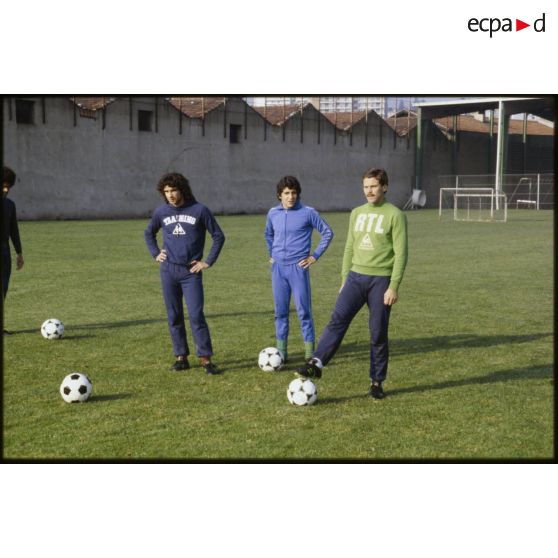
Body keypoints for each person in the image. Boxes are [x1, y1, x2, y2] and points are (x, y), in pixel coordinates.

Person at [296, 167, 408, 399]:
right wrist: (344, 278)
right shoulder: (356, 213)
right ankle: (316, 363)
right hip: (355, 278)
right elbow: (349, 246)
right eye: (366, 187)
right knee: (337, 320)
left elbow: (401, 252)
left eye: (374, 186)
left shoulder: (395, 215)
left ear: (384, 187)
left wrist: (393, 285)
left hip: (381, 280)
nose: (369, 191)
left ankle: (376, 382)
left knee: (377, 333)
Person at [145, 172, 225, 374]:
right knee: (174, 315)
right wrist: (156, 253)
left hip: (191, 272)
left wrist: (207, 262)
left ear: (182, 189)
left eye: (173, 190)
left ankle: (205, 359)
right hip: (169, 271)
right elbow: (149, 232)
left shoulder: (200, 210)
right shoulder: (161, 212)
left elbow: (218, 236)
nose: (170, 195)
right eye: (166, 192)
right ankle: (181, 357)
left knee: (196, 315)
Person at [264, 175, 333, 362]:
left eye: (294, 193)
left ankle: (310, 352)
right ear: (280, 195)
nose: (291, 196)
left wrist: (314, 256)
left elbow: (327, 232)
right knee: (280, 312)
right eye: (286, 193)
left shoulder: (308, 212)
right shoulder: (273, 213)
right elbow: (268, 234)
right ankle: (281, 352)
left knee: (304, 311)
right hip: (278, 269)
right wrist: (272, 253)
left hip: (298, 268)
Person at [2, 166, 24, 335]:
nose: (6, 190)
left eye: (9, 187)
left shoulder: (10, 205)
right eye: (4, 185)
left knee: (3, 288)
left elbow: (13, 230)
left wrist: (19, 252)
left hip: (4, 252)